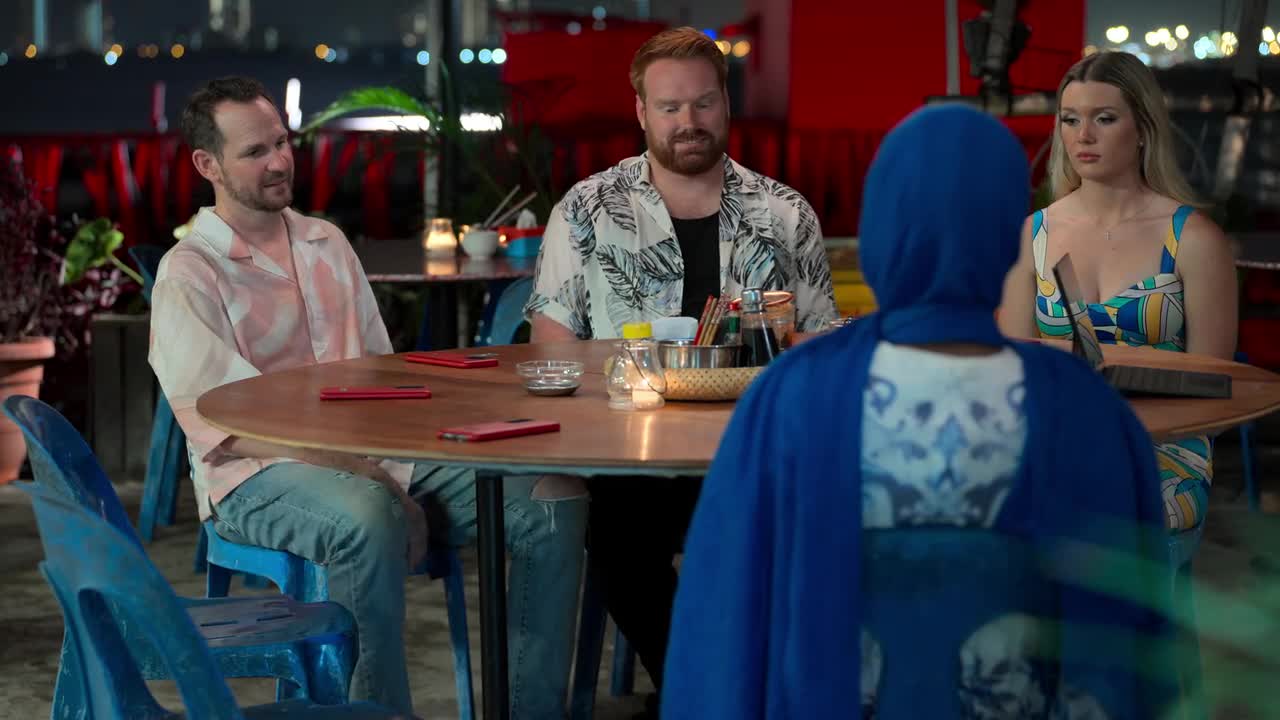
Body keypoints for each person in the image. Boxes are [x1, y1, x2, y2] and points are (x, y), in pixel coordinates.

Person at [661, 105, 1176, 719]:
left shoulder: (792, 396)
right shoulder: (1090, 412)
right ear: (1007, 235)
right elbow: (1133, 658)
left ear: (880, 227)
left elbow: (722, 628)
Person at [149, 76, 587, 718]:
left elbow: (380, 376)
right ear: (207, 165)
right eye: (255, 152)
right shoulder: (189, 273)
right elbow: (229, 429)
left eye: (282, 143)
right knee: (369, 515)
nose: (279, 162)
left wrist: (450, 431)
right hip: (256, 474)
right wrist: (377, 480)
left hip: (374, 455)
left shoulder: (326, 242)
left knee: (553, 496)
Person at [524, 26, 838, 714]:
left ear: (726, 103)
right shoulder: (586, 209)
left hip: (756, 450)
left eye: (702, 103)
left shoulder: (784, 213)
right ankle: (703, 693)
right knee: (616, 535)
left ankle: (724, 692)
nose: (687, 121)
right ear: (641, 111)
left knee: (819, 527)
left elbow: (818, 342)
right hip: (628, 455)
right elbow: (552, 340)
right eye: (669, 107)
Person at [999, 51, 1238, 534]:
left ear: (1144, 128)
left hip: (1165, 449)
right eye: (1070, 119)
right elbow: (1012, 378)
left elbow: (1213, 398)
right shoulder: (1031, 235)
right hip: (1058, 439)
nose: (1083, 136)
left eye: (1104, 119)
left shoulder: (1194, 239)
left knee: (1099, 513)